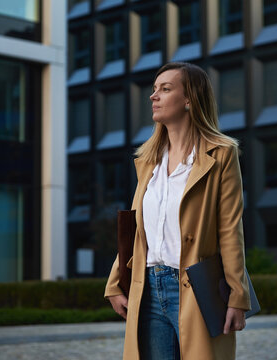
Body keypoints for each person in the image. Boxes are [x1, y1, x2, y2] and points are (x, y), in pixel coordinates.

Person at [104, 62, 251, 360]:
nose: (153, 96)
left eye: (165, 89)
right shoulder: (148, 161)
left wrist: (238, 295)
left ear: (189, 99)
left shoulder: (220, 155)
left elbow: (229, 230)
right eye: (154, 89)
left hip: (197, 289)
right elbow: (135, 232)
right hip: (147, 289)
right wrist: (115, 282)